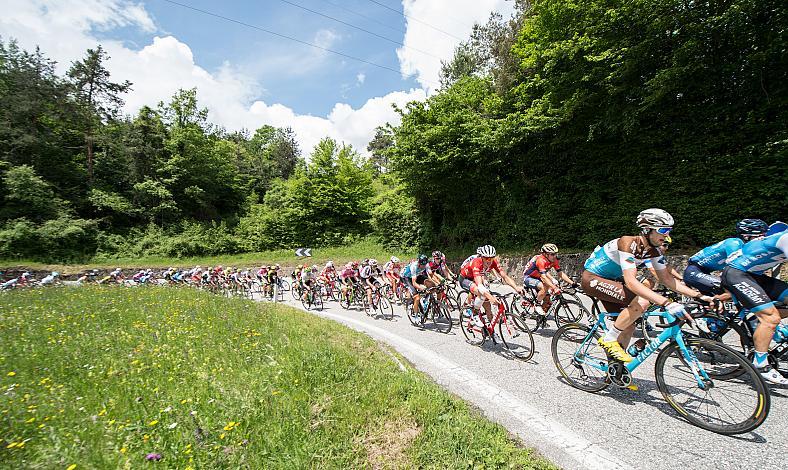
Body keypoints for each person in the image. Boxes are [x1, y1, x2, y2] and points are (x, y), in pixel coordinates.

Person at [581, 209, 714, 364]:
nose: (667, 236)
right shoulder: (628, 242)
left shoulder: (654, 251)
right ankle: (609, 339)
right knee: (642, 302)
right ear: (647, 229)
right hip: (592, 278)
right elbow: (631, 281)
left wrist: (699, 295)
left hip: (613, 281)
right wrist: (667, 303)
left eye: (669, 231)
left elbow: (667, 279)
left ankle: (615, 369)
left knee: (629, 326)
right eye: (663, 230)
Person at [721, 227, 788, 384]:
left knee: (771, 316)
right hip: (736, 274)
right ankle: (761, 364)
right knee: (771, 318)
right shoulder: (785, 238)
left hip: (755, 275)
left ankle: (758, 316)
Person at [683, 219, 768, 297]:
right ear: (746, 236)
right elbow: (735, 267)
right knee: (734, 288)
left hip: (703, 272)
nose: (762, 239)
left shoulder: (742, 246)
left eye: (764, 236)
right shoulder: (735, 243)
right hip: (693, 272)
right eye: (759, 236)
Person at [459, 245, 523, 328]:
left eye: (492, 258)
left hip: (477, 276)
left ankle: (491, 332)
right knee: (481, 292)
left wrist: (516, 287)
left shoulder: (493, 262)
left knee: (487, 306)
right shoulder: (476, 262)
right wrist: (491, 297)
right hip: (465, 279)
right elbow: (480, 286)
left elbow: (505, 277)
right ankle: (474, 314)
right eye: (486, 258)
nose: (489, 261)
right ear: (481, 257)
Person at [522, 244, 576, 313]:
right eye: (552, 254)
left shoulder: (554, 260)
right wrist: (554, 287)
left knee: (547, 300)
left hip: (539, 276)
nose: (555, 256)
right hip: (529, 277)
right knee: (544, 287)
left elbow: (560, 273)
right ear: (545, 254)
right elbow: (544, 277)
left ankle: (540, 315)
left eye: (556, 254)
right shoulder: (540, 260)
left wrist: (572, 283)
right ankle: (537, 304)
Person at [400, 254, 433, 320]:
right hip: (406, 277)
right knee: (417, 297)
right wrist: (421, 288)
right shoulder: (414, 266)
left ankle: (425, 299)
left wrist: (435, 284)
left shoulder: (426, 264)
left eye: (424, 265)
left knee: (430, 284)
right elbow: (414, 283)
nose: (423, 267)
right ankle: (415, 316)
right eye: (422, 265)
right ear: (418, 263)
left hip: (417, 275)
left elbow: (431, 275)